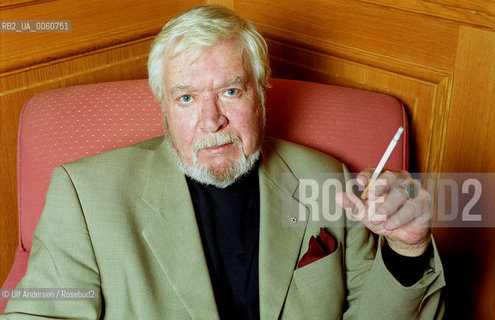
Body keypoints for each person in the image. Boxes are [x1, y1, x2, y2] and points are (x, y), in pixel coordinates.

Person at [2, 4, 445, 319]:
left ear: (261, 93)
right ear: (164, 106)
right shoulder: (84, 194)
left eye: (231, 91)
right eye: (187, 98)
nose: (212, 120)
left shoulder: (327, 178)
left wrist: (407, 250)